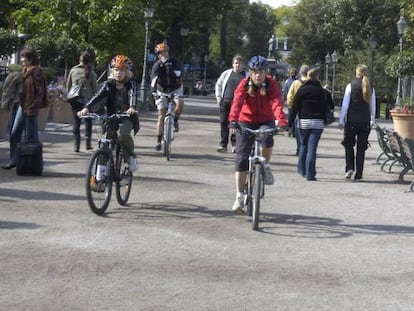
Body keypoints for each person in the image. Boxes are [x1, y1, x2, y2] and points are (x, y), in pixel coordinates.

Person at [229, 55, 288, 213]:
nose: (257, 75)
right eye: (254, 72)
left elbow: (276, 102)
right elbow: (237, 102)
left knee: (267, 138)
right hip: (245, 120)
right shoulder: (244, 84)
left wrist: (281, 121)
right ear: (250, 72)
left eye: (261, 72)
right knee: (241, 159)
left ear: (265, 72)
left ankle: (265, 166)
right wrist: (233, 120)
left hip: (265, 120)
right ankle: (239, 197)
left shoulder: (271, 84)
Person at [78, 55, 140, 172]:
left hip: (126, 117)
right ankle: (100, 174)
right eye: (116, 70)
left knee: (123, 135)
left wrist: (131, 107)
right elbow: (98, 96)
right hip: (110, 117)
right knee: (104, 142)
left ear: (127, 72)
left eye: (122, 70)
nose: (118, 73)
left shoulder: (130, 84)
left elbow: (133, 94)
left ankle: (131, 157)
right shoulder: (109, 84)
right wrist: (86, 108)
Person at [2, 47, 47, 170]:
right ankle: (14, 160)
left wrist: (33, 107)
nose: (21, 60)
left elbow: (40, 92)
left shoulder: (37, 72)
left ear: (30, 59)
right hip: (22, 106)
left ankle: (33, 163)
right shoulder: (25, 71)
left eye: (24, 58)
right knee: (14, 133)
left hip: (30, 107)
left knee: (31, 137)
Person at [288, 67, 333, 181]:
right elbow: (331, 105)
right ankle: (310, 174)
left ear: (308, 76)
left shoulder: (302, 90)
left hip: (303, 121)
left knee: (303, 146)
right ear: (318, 77)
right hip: (318, 122)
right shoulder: (323, 92)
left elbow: (295, 107)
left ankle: (301, 170)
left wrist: (290, 122)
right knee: (312, 148)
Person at [339, 64, 376, 181]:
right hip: (364, 121)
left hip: (351, 121)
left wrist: (341, 120)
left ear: (356, 73)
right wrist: (372, 120)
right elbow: (372, 107)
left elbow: (345, 105)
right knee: (361, 149)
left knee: (349, 145)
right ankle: (359, 173)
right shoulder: (370, 87)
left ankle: (349, 167)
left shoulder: (350, 86)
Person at [150, 42, 184, 151]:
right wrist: (153, 92)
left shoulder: (174, 62)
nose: (163, 54)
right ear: (158, 55)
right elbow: (153, 79)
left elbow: (179, 73)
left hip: (175, 88)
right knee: (161, 115)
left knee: (180, 103)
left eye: (165, 52)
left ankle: (175, 121)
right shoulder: (157, 65)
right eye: (161, 53)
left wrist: (170, 67)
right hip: (162, 90)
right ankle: (158, 140)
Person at [66, 51, 98, 152]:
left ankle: (76, 145)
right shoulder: (91, 73)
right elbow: (95, 89)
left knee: (76, 122)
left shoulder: (73, 70)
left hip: (75, 99)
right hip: (87, 101)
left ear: (80, 60)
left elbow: (68, 85)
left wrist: (69, 96)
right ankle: (88, 144)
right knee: (88, 122)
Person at [215, 54, 247, 153]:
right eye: (236, 63)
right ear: (233, 64)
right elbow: (219, 84)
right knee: (224, 123)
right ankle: (223, 145)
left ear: (242, 65)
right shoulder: (226, 73)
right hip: (226, 102)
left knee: (236, 124)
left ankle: (235, 145)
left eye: (239, 63)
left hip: (240, 105)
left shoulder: (246, 76)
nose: (237, 65)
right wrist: (219, 98)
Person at [287, 64, 309, 155]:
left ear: (300, 73)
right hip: (309, 111)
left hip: (298, 110)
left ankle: (299, 149)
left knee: (298, 132)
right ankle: (306, 149)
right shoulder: (313, 82)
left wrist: (291, 106)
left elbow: (290, 96)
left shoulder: (296, 83)